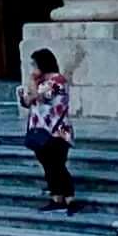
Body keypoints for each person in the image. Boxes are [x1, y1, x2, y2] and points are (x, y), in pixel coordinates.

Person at [19, 49, 79, 210]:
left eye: (34, 64)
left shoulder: (57, 81)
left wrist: (32, 81)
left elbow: (38, 96)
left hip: (57, 130)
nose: (33, 68)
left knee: (57, 164)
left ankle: (69, 198)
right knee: (47, 165)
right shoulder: (39, 82)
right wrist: (31, 87)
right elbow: (26, 100)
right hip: (39, 130)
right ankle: (56, 197)